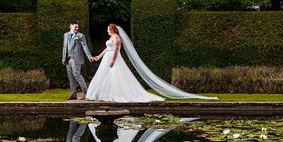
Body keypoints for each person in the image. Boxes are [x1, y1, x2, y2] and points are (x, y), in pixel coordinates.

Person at [86, 24, 216, 102]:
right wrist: (98, 56)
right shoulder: (110, 38)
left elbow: (115, 49)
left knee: (116, 76)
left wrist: (113, 60)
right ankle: (103, 94)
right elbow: (107, 48)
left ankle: (115, 95)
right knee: (104, 77)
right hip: (106, 58)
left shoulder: (116, 37)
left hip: (113, 58)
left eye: (108, 28)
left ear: (112, 29)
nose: (107, 30)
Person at [62, 20, 93, 100]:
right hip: (68, 59)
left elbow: (85, 46)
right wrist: (63, 58)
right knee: (70, 76)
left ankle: (87, 93)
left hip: (76, 59)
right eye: (75, 27)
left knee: (77, 75)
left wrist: (89, 56)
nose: (77, 28)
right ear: (71, 26)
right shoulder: (66, 35)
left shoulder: (80, 36)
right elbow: (64, 47)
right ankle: (73, 94)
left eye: (77, 27)